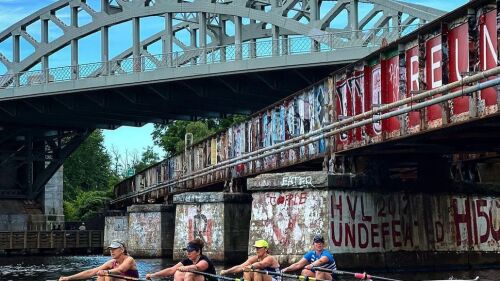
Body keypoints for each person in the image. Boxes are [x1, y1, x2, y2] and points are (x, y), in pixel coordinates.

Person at [58, 240, 139, 281]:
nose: (111, 251)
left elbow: (121, 269)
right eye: (110, 249)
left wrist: (107, 272)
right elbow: (91, 272)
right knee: (100, 275)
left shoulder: (129, 259)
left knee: (107, 276)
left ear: (122, 250)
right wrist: (68, 278)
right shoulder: (112, 263)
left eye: (114, 249)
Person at [146, 238, 216, 281]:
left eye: (190, 251)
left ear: (198, 252)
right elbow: (171, 270)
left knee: (189, 274)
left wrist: (185, 268)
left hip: (210, 279)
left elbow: (196, 267)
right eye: (187, 251)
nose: (188, 253)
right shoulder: (187, 261)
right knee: (177, 273)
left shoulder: (204, 261)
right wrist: (153, 275)